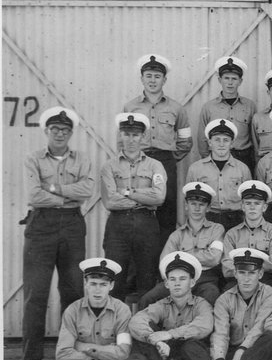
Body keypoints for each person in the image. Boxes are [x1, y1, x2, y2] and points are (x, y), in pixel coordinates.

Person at [21, 107, 93, 360]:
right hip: (41, 224)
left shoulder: (82, 158)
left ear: (71, 133)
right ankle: (31, 356)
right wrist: (66, 196)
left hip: (73, 224)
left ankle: (69, 350)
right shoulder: (33, 158)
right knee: (35, 291)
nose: (60, 134)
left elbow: (87, 190)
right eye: (55, 129)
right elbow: (33, 195)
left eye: (65, 130)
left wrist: (52, 188)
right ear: (46, 132)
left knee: (73, 289)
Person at [32, 258, 147, 360]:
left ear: (111, 286)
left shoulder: (122, 310)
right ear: (86, 284)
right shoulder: (72, 310)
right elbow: (62, 355)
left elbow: (123, 354)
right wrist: (104, 352)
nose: (97, 290)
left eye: (103, 285)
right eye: (93, 284)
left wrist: (83, 347)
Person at [193, 248, 272, 360]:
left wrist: (242, 351)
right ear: (235, 274)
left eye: (252, 273)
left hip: (257, 352)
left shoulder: (270, 294)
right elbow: (221, 332)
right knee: (192, 345)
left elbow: (260, 327)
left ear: (260, 274)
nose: (246, 279)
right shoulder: (224, 299)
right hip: (234, 355)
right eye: (242, 273)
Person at [124, 54, 192, 245]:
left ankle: (162, 268)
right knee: (138, 211)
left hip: (165, 163)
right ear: (141, 78)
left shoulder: (177, 108)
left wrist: (168, 159)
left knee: (166, 214)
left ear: (164, 79)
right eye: (148, 76)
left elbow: (186, 142)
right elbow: (122, 143)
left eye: (157, 76)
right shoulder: (130, 107)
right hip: (138, 164)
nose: (152, 80)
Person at [100, 112, 167, 301]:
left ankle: (143, 329)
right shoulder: (109, 167)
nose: (131, 139)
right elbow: (110, 201)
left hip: (146, 224)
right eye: (127, 134)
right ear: (120, 135)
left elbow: (159, 197)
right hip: (117, 225)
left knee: (147, 279)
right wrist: (145, 197)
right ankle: (116, 328)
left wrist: (127, 192)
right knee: (115, 277)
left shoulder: (155, 165)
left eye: (135, 135)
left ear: (143, 136)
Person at [129, 252, 214, 360]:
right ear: (166, 283)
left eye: (182, 279)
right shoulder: (162, 305)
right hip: (167, 357)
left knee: (189, 345)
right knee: (142, 334)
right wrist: (155, 340)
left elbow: (205, 326)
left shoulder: (201, 304)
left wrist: (169, 334)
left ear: (192, 282)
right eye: (172, 279)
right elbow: (137, 320)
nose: (177, 283)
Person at [139, 183, 225, 309]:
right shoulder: (177, 235)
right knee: (148, 298)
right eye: (193, 204)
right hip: (179, 277)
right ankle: (145, 328)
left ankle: (206, 328)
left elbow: (214, 258)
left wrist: (182, 255)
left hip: (206, 280)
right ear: (186, 206)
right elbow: (164, 261)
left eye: (201, 205)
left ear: (208, 208)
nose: (196, 208)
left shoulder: (216, 229)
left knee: (212, 295)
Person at [186, 118, 252, 230]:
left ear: (232, 143)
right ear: (210, 143)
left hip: (236, 220)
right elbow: (188, 202)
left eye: (226, 140)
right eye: (217, 140)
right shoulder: (196, 169)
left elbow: (248, 201)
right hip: (207, 219)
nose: (221, 144)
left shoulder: (242, 169)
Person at [196, 56, 256, 170]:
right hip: (216, 157)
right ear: (219, 80)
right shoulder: (209, 107)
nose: (230, 83)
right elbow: (202, 139)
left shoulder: (250, 106)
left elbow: (254, 137)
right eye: (226, 78)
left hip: (243, 157)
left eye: (234, 79)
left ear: (240, 81)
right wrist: (207, 160)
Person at [220, 181, 272, 289]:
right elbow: (226, 268)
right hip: (238, 280)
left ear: (264, 207)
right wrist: (248, 270)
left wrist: (242, 266)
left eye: (257, 203)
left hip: (265, 280)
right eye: (248, 203)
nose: (252, 207)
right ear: (243, 207)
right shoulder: (232, 234)